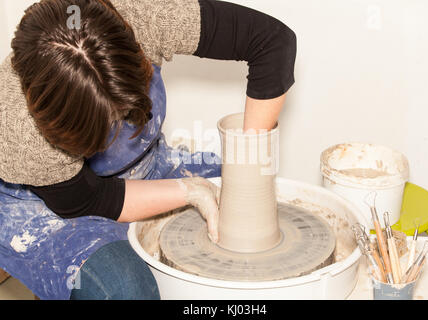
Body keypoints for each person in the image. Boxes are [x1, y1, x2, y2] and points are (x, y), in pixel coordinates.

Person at [0, 0, 296, 300]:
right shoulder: (16, 130)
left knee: (255, 196)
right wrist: (188, 191)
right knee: (126, 289)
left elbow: (272, 42)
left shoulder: (143, 15)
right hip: (42, 206)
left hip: (144, 165)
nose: (113, 131)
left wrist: (247, 167)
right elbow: (89, 200)